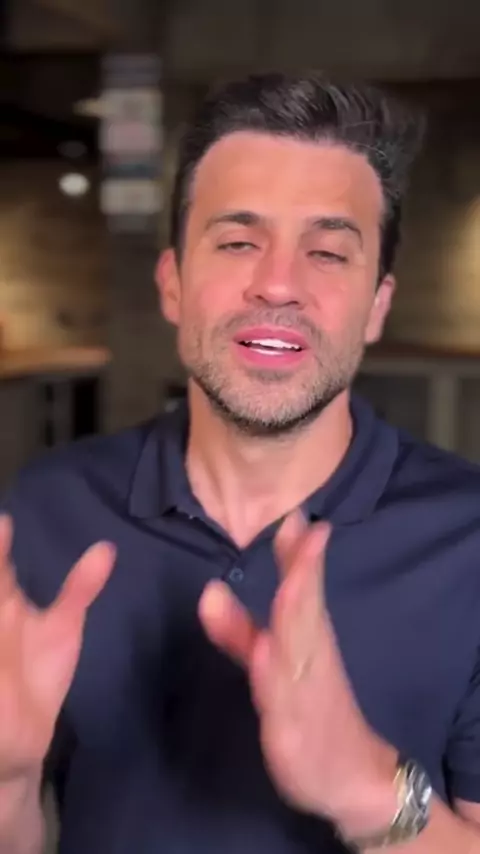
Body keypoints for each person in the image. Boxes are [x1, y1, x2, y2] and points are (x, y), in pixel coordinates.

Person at [2, 72, 480, 854]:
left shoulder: (471, 541)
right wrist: (8, 780)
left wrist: (368, 791)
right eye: (237, 242)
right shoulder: (47, 509)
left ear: (377, 306)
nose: (278, 284)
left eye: (328, 252)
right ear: (172, 284)